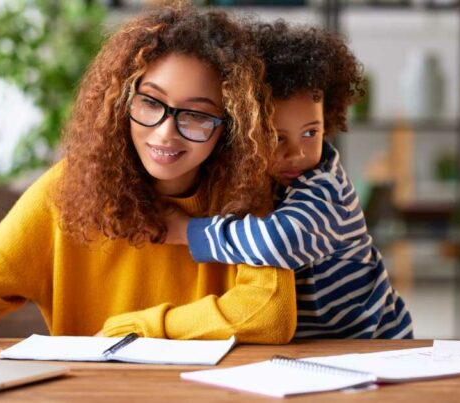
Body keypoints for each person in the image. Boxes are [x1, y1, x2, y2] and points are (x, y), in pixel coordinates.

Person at [0, 3, 297, 352]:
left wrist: (134, 329)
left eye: (196, 115)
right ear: (123, 102)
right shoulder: (69, 186)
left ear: (230, 125)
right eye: (151, 103)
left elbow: (269, 314)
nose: (165, 133)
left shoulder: (246, 193)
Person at [163, 22, 414, 339]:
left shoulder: (326, 191)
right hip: (311, 346)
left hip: (372, 342)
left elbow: (278, 241)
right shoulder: (260, 181)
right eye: (276, 137)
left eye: (311, 132)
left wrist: (187, 232)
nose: (297, 152)